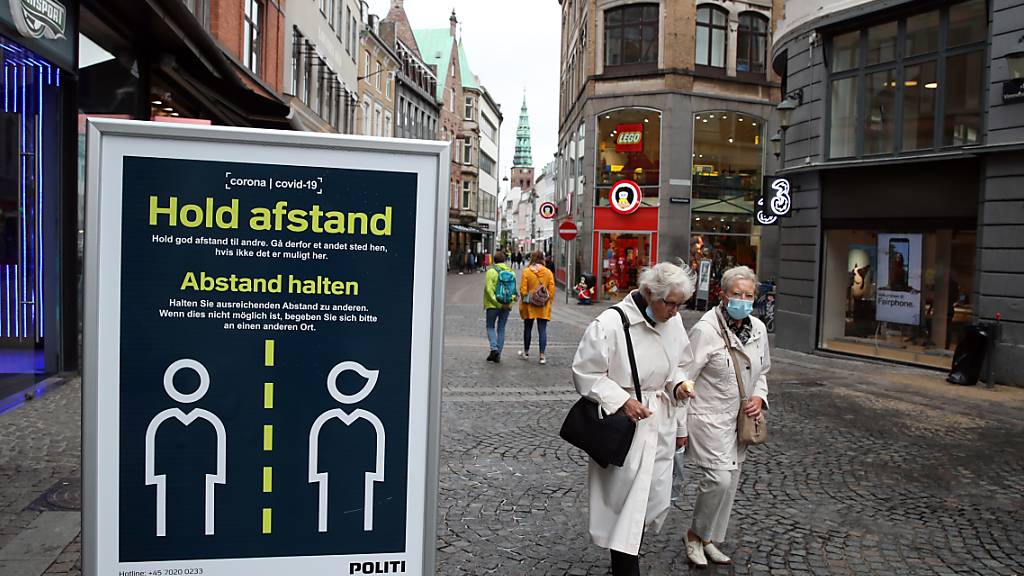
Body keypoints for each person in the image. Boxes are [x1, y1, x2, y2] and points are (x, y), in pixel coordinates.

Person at [571, 261, 697, 576]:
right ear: (649, 293)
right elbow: (586, 374)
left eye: (680, 304)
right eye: (670, 303)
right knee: (625, 505)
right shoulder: (610, 325)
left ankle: (628, 558)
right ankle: (626, 568)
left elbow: (679, 364)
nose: (675, 311)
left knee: (647, 502)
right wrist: (622, 400)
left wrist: (678, 386)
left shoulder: (674, 322)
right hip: (624, 428)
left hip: (660, 422)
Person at [678, 265, 770, 568]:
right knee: (717, 479)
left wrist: (760, 396)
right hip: (709, 417)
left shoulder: (758, 328)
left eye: (748, 294)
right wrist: (680, 425)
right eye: (736, 294)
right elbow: (683, 378)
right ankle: (694, 535)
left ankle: (709, 539)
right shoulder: (705, 330)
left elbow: (762, 371)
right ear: (722, 295)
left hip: (740, 420)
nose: (743, 299)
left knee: (730, 482)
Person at [517, 251, 556, 365]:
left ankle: (526, 352)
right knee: (542, 330)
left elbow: (523, 291)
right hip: (543, 306)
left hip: (529, 305)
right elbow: (551, 291)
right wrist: (546, 300)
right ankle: (542, 355)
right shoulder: (548, 273)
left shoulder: (527, 272)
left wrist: (530, 298)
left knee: (528, 329)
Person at [483, 251, 517, 362]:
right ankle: (498, 353)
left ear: (494, 260)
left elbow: (489, 289)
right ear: (504, 260)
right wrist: (508, 303)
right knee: (501, 328)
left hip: (492, 305)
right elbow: (513, 291)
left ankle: (494, 349)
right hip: (506, 305)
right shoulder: (511, 272)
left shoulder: (491, 271)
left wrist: (497, 303)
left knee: (490, 326)